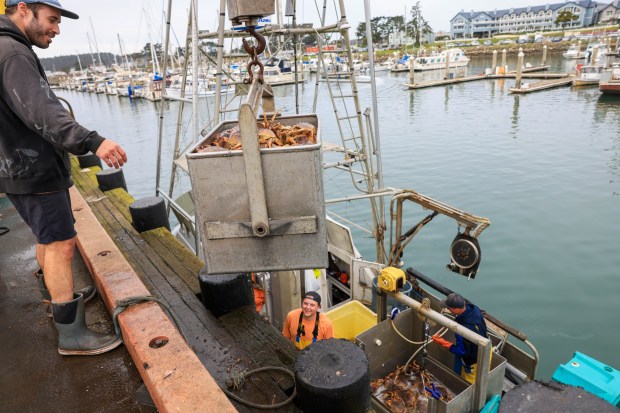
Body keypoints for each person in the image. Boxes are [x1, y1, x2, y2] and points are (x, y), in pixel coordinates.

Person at [1, 1, 127, 356]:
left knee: (47, 236)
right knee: (61, 243)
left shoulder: (7, 47)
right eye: (52, 20)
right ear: (23, 9)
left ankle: (55, 296)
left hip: (16, 166)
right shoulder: (12, 52)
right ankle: (72, 335)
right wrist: (93, 141)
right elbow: (42, 111)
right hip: (33, 168)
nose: (57, 29)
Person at [431, 293, 489, 384]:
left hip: (474, 362)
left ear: (457, 309)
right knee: (484, 376)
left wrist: (443, 342)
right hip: (487, 350)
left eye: (449, 308)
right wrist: (449, 324)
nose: (447, 310)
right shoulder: (474, 309)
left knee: (468, 384)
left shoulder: (462, 330)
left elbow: (461, 351)